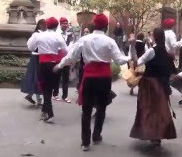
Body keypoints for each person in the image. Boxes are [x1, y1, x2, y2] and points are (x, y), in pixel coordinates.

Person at [54, 14, 131, 151]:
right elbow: (119, 60)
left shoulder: (84, 39)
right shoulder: (110, 41)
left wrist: (59, 65)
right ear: (106, 26)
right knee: (101, 108)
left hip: (89, 77)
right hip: (104, 78)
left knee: (86, 110)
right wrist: (131, 56)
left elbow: (72, 56)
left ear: (94, 25)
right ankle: (96, 135)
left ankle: (85, 142)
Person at [129, 28, 177, 147]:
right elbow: (171, 72)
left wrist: (133, 47)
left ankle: (151, 133)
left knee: (147, 109)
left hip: (149, 84)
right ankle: (157, 134)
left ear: (154, 36)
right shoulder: (166, 52)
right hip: (161, 84)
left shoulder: (152, 51)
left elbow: (137, 62)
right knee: (159, 110)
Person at [27, 17, 68, 123]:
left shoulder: (39, 36)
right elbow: (65, 50)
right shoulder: (58, 36)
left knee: (46, 90)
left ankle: (50, 114)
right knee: (49, 89)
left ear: (47, 25)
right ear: (56, 26)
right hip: (54, 65)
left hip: (43, 64)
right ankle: (44, 111)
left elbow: (31, 47)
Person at [21, 19, 47, 105]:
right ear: (40, 25)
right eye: (44, 24)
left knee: (37, 77)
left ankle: (31, 95)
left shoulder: (45, 34)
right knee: (36, 76)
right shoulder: (36, 34)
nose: (45, 26)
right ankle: (37, 99)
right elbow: (30, 45)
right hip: (36, 57)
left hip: (41, 57)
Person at [52, 17, 74, 103]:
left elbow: (71, 46)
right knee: (57, 77)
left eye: (66, 23)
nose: (65, 25)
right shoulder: (56, 34)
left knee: (66, 78)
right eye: (63, 23)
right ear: (60, 24)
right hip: (58, 58)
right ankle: (55, 94)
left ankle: (65, 96)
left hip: (67, 58)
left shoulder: (70, 34)